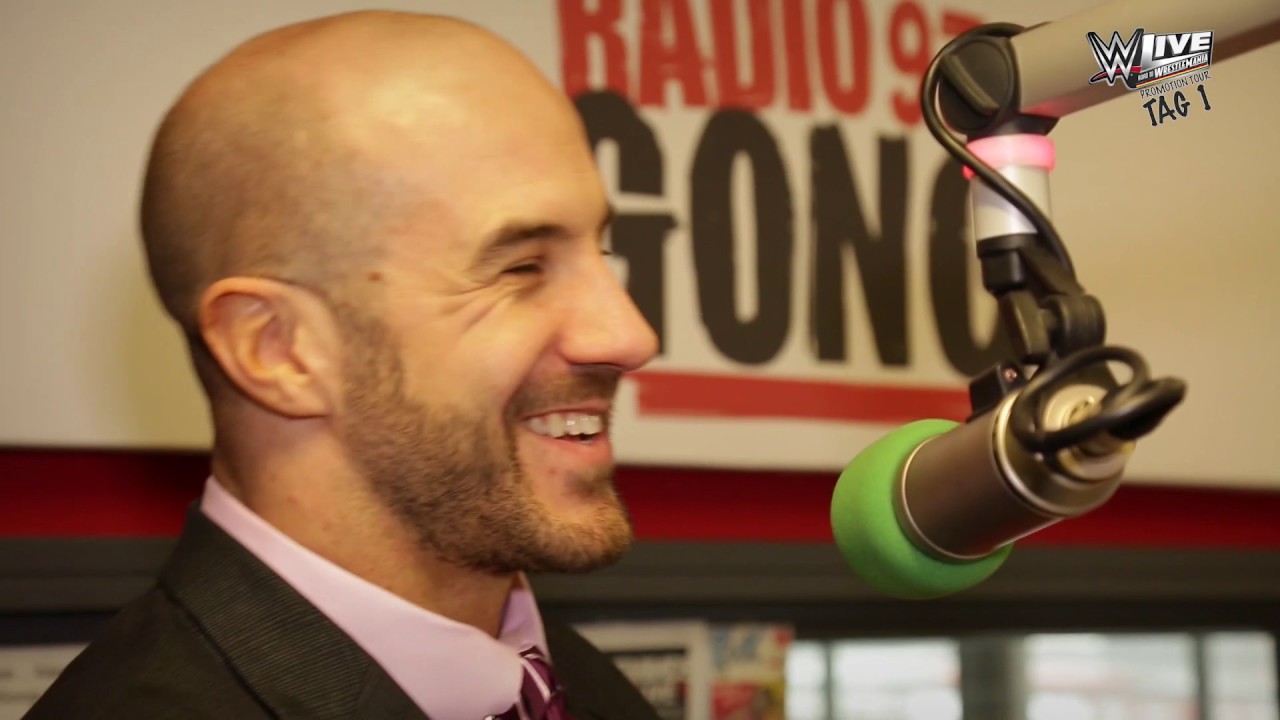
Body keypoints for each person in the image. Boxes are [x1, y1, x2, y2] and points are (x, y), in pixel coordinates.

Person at [26, 10, 662, 720]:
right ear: (278, 350)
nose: (630, 335)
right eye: (521, 268)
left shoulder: (583, 688)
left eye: (601, 252)